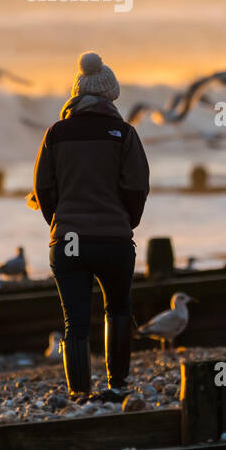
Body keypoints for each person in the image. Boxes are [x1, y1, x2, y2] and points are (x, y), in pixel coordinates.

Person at [31, 51, 150, 401]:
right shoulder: (123, 134)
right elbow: (137, 186)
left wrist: (58, 222)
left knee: (76, 322)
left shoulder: (56, 133)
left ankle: (80, 392)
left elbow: (43, 188)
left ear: (76, 95)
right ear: (110, 96)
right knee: (119, 309)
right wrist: (127, 221)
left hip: (68, 240)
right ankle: (117, 385)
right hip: (113, 240)